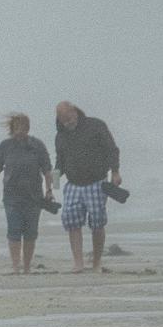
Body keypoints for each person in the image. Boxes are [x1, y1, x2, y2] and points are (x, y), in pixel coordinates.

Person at [53, 101, 122, 272]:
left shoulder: (96, 125)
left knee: (97, 223)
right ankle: (79, 263)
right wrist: (51, 184)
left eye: (69, 118)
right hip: (73, 184)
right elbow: (60, 162)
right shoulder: (60, 136)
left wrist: (115, 172)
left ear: (75, 111)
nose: (68, 123)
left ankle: (97, 262)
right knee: (71, 222)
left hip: (97, 181)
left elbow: (111, 149)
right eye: (63, 121)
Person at [0, 113, 52, 273]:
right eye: (17, 127)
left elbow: (47, 169)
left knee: (31, 232)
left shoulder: (37, 145)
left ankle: (26, 266)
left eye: (23, 127)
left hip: (34, 196)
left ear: (28, 128)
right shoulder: (5, 146)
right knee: (14, 229)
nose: (20, 131)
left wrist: (49, 190)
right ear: (12, 129)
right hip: (12, 197)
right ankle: (16, 265)